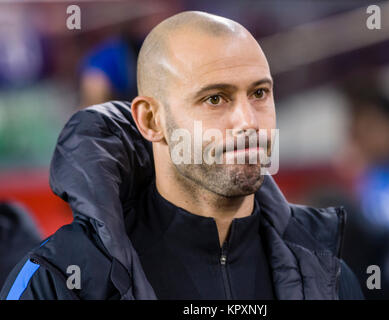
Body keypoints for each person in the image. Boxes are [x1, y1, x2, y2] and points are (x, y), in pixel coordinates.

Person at [0, 11, 363, 300]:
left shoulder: (326, 275)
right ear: (150, 119)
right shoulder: (61, 277)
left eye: (259, 93)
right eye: (215, 98)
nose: (248, 121)